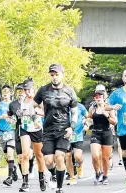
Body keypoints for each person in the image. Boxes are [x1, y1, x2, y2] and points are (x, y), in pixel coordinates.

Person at [34, 64, 78, 193]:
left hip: (63, 130)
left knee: (59, 156)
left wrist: (72, 127)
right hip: (48, 130)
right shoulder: (43, 90)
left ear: (62, 74)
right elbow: (34, 105)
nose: (54, 77)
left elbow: (74, 112)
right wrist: (36, 117)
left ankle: (59, 187)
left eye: (57, 74)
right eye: (52, 75)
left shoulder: (69, 91)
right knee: (48, 161)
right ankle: (53, 173)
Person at [18, 78, 46, 192]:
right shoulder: (22, 99)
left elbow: (46, 113)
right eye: (25, 90)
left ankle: (41, 178)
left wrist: (36, 112)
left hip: (36, 129)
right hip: (25, 128)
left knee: (39, 155)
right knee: (25, 154)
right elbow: (19, 112)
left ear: (34, 89)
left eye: (29, 90)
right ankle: (25, 182)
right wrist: (19, 114)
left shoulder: (39, 100)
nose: (27, 92)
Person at [88, 89, 117, 185]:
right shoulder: (92, 108)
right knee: (95, 156)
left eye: (100, 96)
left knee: (105, 158)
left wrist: (107, 116)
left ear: (104, 97)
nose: (98, 98)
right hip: (95, 133)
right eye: (96, 96)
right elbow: (88, 118)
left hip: (106, 133)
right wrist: (87, 123)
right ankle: (98, 173)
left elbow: (114, 122)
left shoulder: (109, 108)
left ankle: (105, 176)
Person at [0, 85, 18, 186]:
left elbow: (19, 117)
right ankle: (13, 168)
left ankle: (9, 178)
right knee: (7, 156)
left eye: (7, 91)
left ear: (11, 93)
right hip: (1, 133)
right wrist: (0, 117)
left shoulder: (14, 105)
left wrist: (12, 120)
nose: (5, 93)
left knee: (10, 154)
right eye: (4, 92)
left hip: (12, 132)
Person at [65, 102, 88, 185]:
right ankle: (72, 177)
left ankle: (79, 166)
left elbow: (88, 117)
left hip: (77, 134)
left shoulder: (80, 107)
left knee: (77, 156)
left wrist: (86, 123)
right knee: (67, 156)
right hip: (66, 135)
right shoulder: (63, 106)